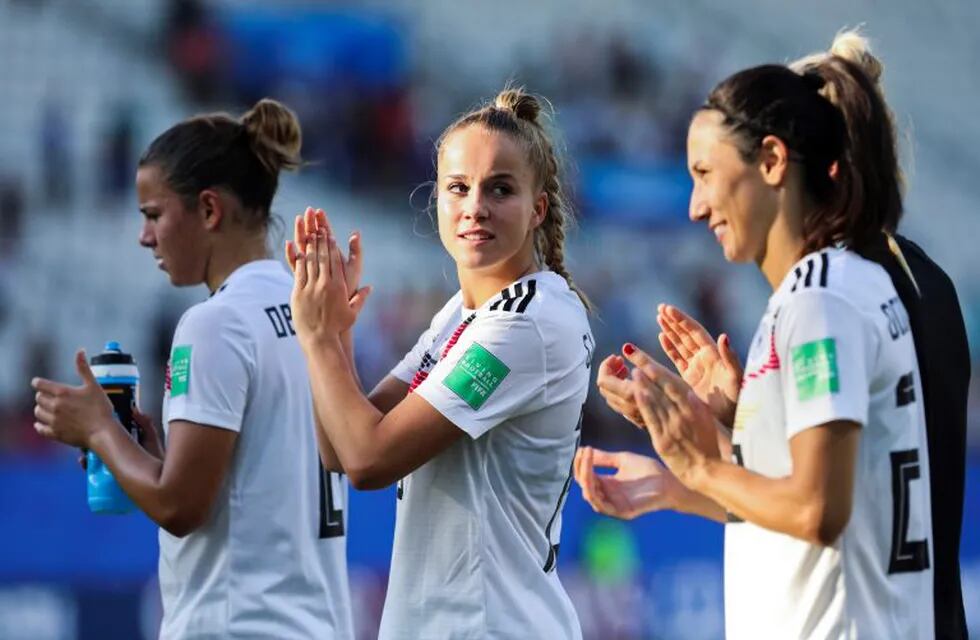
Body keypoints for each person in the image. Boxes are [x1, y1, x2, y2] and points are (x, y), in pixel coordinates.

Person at [578, 30, 935, 639]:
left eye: (705, 173)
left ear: (771, 162)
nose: (695, 206)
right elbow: (812, 506)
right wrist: (686, 472)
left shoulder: (820, 300)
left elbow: (816, 510)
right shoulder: (839, 285)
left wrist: (698, 465)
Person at [31, 99, 354, 639]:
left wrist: (99, 430)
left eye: (154, 214)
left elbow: (180, 505)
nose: (145, 236)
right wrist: (154, 456)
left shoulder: (214, 323)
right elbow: (249, 482)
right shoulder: (312, 310)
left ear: (208, 210)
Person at [287, 88, 594, 639]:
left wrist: (315, 338)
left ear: (538, 208)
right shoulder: (464, 312)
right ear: (437, 200)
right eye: (459, 188)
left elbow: (368, 460)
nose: (475, 206)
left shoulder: (527, 320)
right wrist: (335, 333)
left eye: (500, 189)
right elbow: (339, 447)